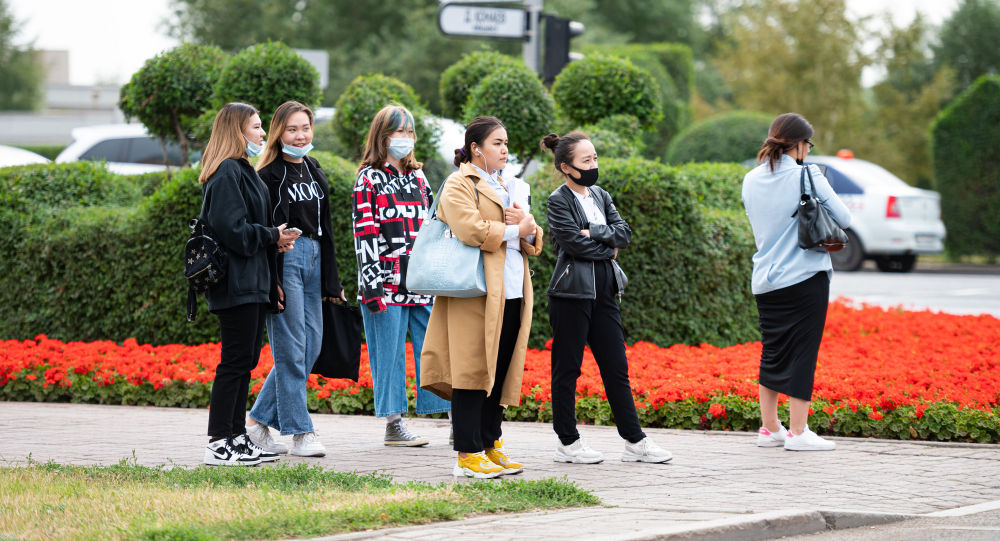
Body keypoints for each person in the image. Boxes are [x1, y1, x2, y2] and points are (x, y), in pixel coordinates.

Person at [421, 116, 544, 479]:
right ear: (476, 148)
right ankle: (467, 453)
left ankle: (491, 444)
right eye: (497, 143)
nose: (505, 149)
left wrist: (528, 226)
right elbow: (469, 229)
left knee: (500, 368)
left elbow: (529, 238)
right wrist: (515, 228)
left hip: (511, 289)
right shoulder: (459, 183)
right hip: (474, 293)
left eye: (506, 143)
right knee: (471, 370)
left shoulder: (510, 185)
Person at [541, 131, 673, 465]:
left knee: (617, 368)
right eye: (586, 161)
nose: (593, 165)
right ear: (566, 167)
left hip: (605, 291)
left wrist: (596, 233)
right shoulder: (558, 200)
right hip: (571, 294)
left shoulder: (600, 195)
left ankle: (635, 441)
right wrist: (606, 245)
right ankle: (567, 443)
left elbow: (624, 234)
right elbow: (572, 244)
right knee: (567, 370)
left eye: (594, 158)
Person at [198, 102, 300, 466]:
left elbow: (248, 233)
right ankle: (218, 441)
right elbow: (234, 232)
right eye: (255, 127)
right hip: (236, 284)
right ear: (236, 131)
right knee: (235, 362)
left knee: (245, 361)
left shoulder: (243, 170)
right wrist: (272, 234)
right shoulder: (227, 172)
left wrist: (274, 245)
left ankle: (236, 436)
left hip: (253, 282)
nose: (261, 133)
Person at [742, 112, 851, 451]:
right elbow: (844, 218)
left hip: (766, 278)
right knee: (803, 352)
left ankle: (769, 428)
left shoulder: (750, 179)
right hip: (805, 275)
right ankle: (799, 433)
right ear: (801, 145)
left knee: (772, 350)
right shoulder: (808, 174)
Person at [244, 101, 346, 458]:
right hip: (286, 260)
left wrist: (332, 280)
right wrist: (271, 278)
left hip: (315, 258)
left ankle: (256, 423)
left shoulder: (315, 169)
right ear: (278, 133)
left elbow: (327, 228)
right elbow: (263, 230)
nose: (300, 135)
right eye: (292, 129)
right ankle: (301, 431)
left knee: (311, 346)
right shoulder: (267, 175)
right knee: (290, 350)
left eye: (305, 127)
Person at [352, 104, 451, 446]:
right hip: (384, 283)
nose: (405, 139)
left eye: (410, 132)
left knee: (436, 350)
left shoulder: (418, 177)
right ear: (382, 137)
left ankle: (457, 419)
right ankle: (394, 424)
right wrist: (371, 286)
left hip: (421, 280)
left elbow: (433, 228)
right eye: (398, 132)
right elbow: (363, 234)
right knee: (389, 355)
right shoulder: (368, 179)